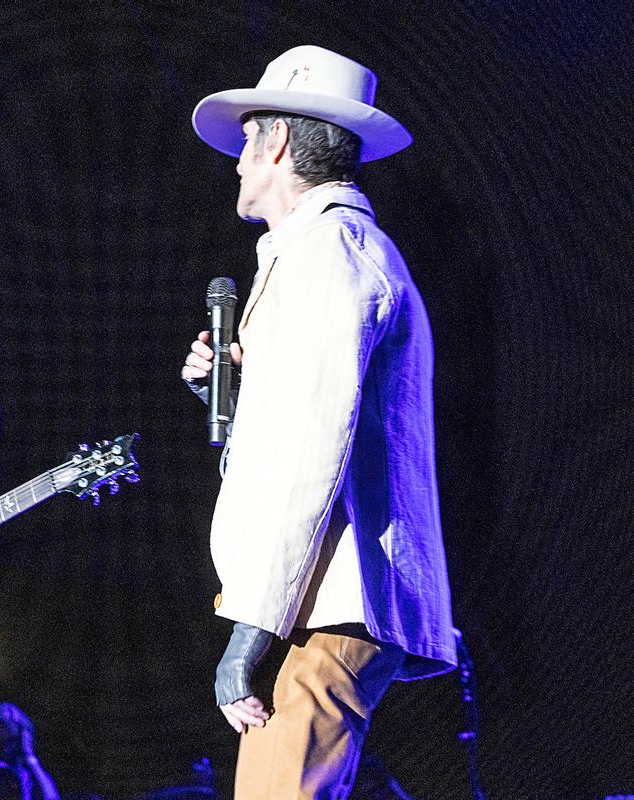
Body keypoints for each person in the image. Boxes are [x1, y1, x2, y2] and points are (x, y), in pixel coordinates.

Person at [180, 46, 456, 799]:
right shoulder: (319, 253)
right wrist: (237, 384)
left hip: (331, 599)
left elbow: (311, 452)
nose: (238, 163)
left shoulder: (330, 254)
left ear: (273, 141)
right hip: (320, 596)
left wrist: (251, 632)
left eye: (245, 143)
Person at [0, 702, 60, 800]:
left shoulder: (29, 775)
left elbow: (51, 797)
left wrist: (30, 757)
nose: (1, 746)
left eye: (9, 739)